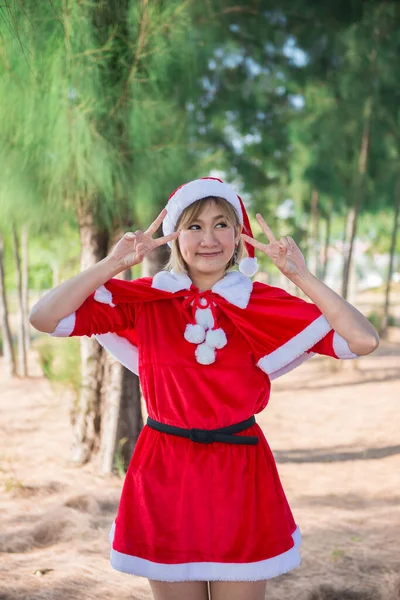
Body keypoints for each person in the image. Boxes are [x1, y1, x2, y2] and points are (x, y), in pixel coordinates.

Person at [29, 177, 379, 600]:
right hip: (164, 475)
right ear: (176, 238)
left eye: (221, 225)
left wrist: (301, 276)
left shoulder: (261, 302)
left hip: (240, 476)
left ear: (237, 236)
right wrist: (112, 265)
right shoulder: (147, 301)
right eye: (194, 226)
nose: (208, 239)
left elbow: (363, 340)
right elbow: (44, 317)